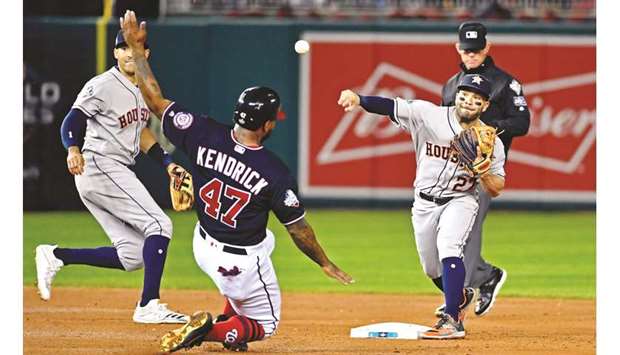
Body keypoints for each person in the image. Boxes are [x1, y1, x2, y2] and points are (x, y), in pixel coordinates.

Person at [119, 10, 354, 352]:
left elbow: (154, 99)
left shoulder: (200, 131)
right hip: (238, 263)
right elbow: (299, 229)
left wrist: (137, 52)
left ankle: (232, 324)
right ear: (268, 125)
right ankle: (212, 332)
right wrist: (324, 261)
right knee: (267, 324)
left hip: (203, 244)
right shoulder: (274, 172)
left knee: (261, 250)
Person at [34, 29, 189, 324]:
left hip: (108, 171)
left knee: (133, 255)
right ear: (116, 54)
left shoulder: (145, 89)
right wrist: (72, 149)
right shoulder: (104, 85)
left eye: (135, 48)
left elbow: (141, 134)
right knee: (159, 223)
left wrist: (167, 163)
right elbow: (72, 120)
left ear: (146, 55)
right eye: (123, 48)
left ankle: (56, 255)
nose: (130, 53)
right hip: (99, 164)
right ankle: (149, 304)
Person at [338, 73, 506, 339]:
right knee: (430, 268)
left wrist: (482, 170)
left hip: (460, 200)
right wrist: (359, 99)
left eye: (477, 99)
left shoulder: (491, 142)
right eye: (465, 95)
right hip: (425, 201)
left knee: (449, 247)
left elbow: (496, 188)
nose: (468, 101)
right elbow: (392, 106)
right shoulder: (429, 115)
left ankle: (452, 320)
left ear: (485, 105)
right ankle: (461, 297)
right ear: (457, 96)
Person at [438, 21, 530, 317]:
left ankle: (458, 300)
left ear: (487, 47)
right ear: (458, 49)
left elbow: (521, 123)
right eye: (467, 50)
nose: (472, 55)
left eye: (477, 50)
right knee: (449, 232)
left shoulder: (506, 83)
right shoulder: (451, 85)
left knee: (466, 231)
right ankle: (484, 277)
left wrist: (489, 129)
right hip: (454, 170)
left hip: (485, 169)